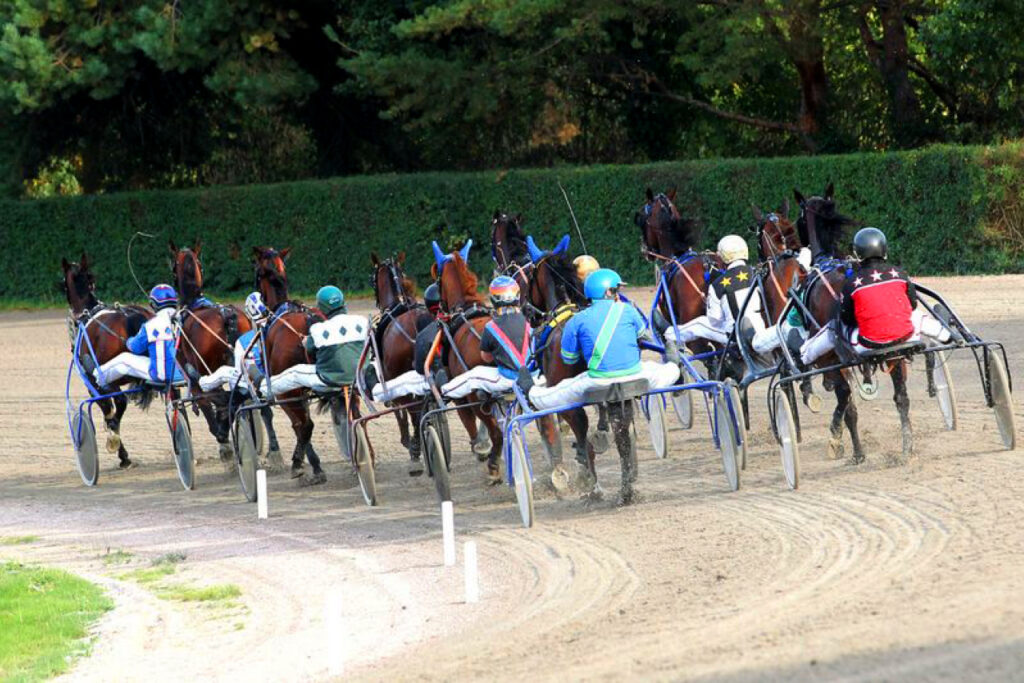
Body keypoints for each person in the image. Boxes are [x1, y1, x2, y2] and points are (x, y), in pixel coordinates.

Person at [523, 269, 679, 410]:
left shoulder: (576, 321)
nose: (618, 294)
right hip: (635, 375)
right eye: (615, 290)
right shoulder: (628, 310)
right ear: (607, 293)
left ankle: (531, 393)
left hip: (597, 382)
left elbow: (569, 359)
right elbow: (641, 337)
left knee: (554, 394)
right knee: (669, 369)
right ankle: (675, 361)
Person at [800, 227, 950, 365]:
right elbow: (913, 306)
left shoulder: (852, 284)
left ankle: (804, 357)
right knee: (917, 316)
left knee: (833, 327)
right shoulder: (900, 274)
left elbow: (847, 318)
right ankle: (947, 336)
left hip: (866, 345)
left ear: (857, 254)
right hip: (909, 338)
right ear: (884, 250)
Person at [664, 235, 766, 351]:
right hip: (760, 331)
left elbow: (714, 320)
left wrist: (709, 302)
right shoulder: (756, 274)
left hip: (735, 337)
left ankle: (669, 334)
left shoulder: (717, 285)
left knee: (700, 323)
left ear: (723, 257)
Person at [263, 285, 368, 395]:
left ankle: (262, 388)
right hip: (361, 376)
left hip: (330, 379)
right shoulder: (362, 321)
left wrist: (306, 341)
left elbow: (310, 349)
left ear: (321, 308)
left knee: (295, 373)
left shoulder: (318, 329)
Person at [441, 276, 531, 400]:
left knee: (474, 376)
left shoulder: (491, 326)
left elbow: (486, 358)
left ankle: (444, 392)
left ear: (494, 299)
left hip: (509, 378)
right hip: (533, 375)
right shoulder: (528, 322)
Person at [96, 284, 183, 385]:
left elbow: (135, 348)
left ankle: (97, 377)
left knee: (124, 358)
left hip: (161, 375)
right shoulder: (183, 320)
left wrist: (128, 341)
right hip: (183, 374)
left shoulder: (150, 325)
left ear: (153, 304)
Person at [371, 283, 442, 403]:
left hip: (424, 375)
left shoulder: (425, 335)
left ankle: (377, 382)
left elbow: (420, 367)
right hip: (445, 374)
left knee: (377, 392)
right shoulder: (441, 325)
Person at [198, 292, 269, 396]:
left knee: (223, 371)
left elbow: (240, 372)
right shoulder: (278, 329)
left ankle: (202, 383)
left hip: (256, 382)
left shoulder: (242, 341)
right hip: (275, 376)